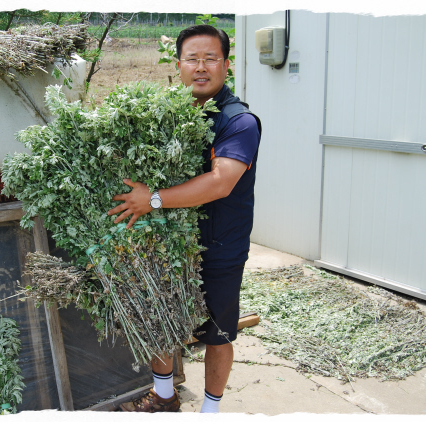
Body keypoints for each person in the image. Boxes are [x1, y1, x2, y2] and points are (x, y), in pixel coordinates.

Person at [107, 24, 261, 413]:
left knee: (218, 332)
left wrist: (153, 200)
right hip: (169, 241)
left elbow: (221, 182)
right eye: (192, 59)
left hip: (220, 245)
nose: (201, 67)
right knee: (160, 314)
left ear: (226, 65)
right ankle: (164, 396)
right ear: (178, 65)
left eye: (210, 58)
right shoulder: (167, 115)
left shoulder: (239, 122)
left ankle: (209, 412)